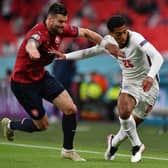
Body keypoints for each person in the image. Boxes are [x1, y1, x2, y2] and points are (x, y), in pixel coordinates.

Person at [1, 3, 123, 162]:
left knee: (70, 109)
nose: (63, 25)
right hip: (23, 84)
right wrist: (33, 51)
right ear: (49, 19)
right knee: (42, 125)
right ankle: (11, 125)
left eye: (65, 21)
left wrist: (107, 45)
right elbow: (32, 43)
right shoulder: (39, 33)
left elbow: (86, 33)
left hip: (42, 76)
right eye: (60, 22)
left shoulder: (60, 29)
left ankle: (68, 150)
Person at [49, 15, 164, 163]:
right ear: (110, 34)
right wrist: (65, 56)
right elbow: (88, 52)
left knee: (130, 126)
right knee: (123, 112)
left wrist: (149, 76)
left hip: (150, 84)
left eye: (124, 32)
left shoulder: (136, 39)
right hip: (129, 83)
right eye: (118, 34)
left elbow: (158, 57)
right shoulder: (109, 43)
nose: (122, 36)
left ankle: (113, 143)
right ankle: (137, 146)